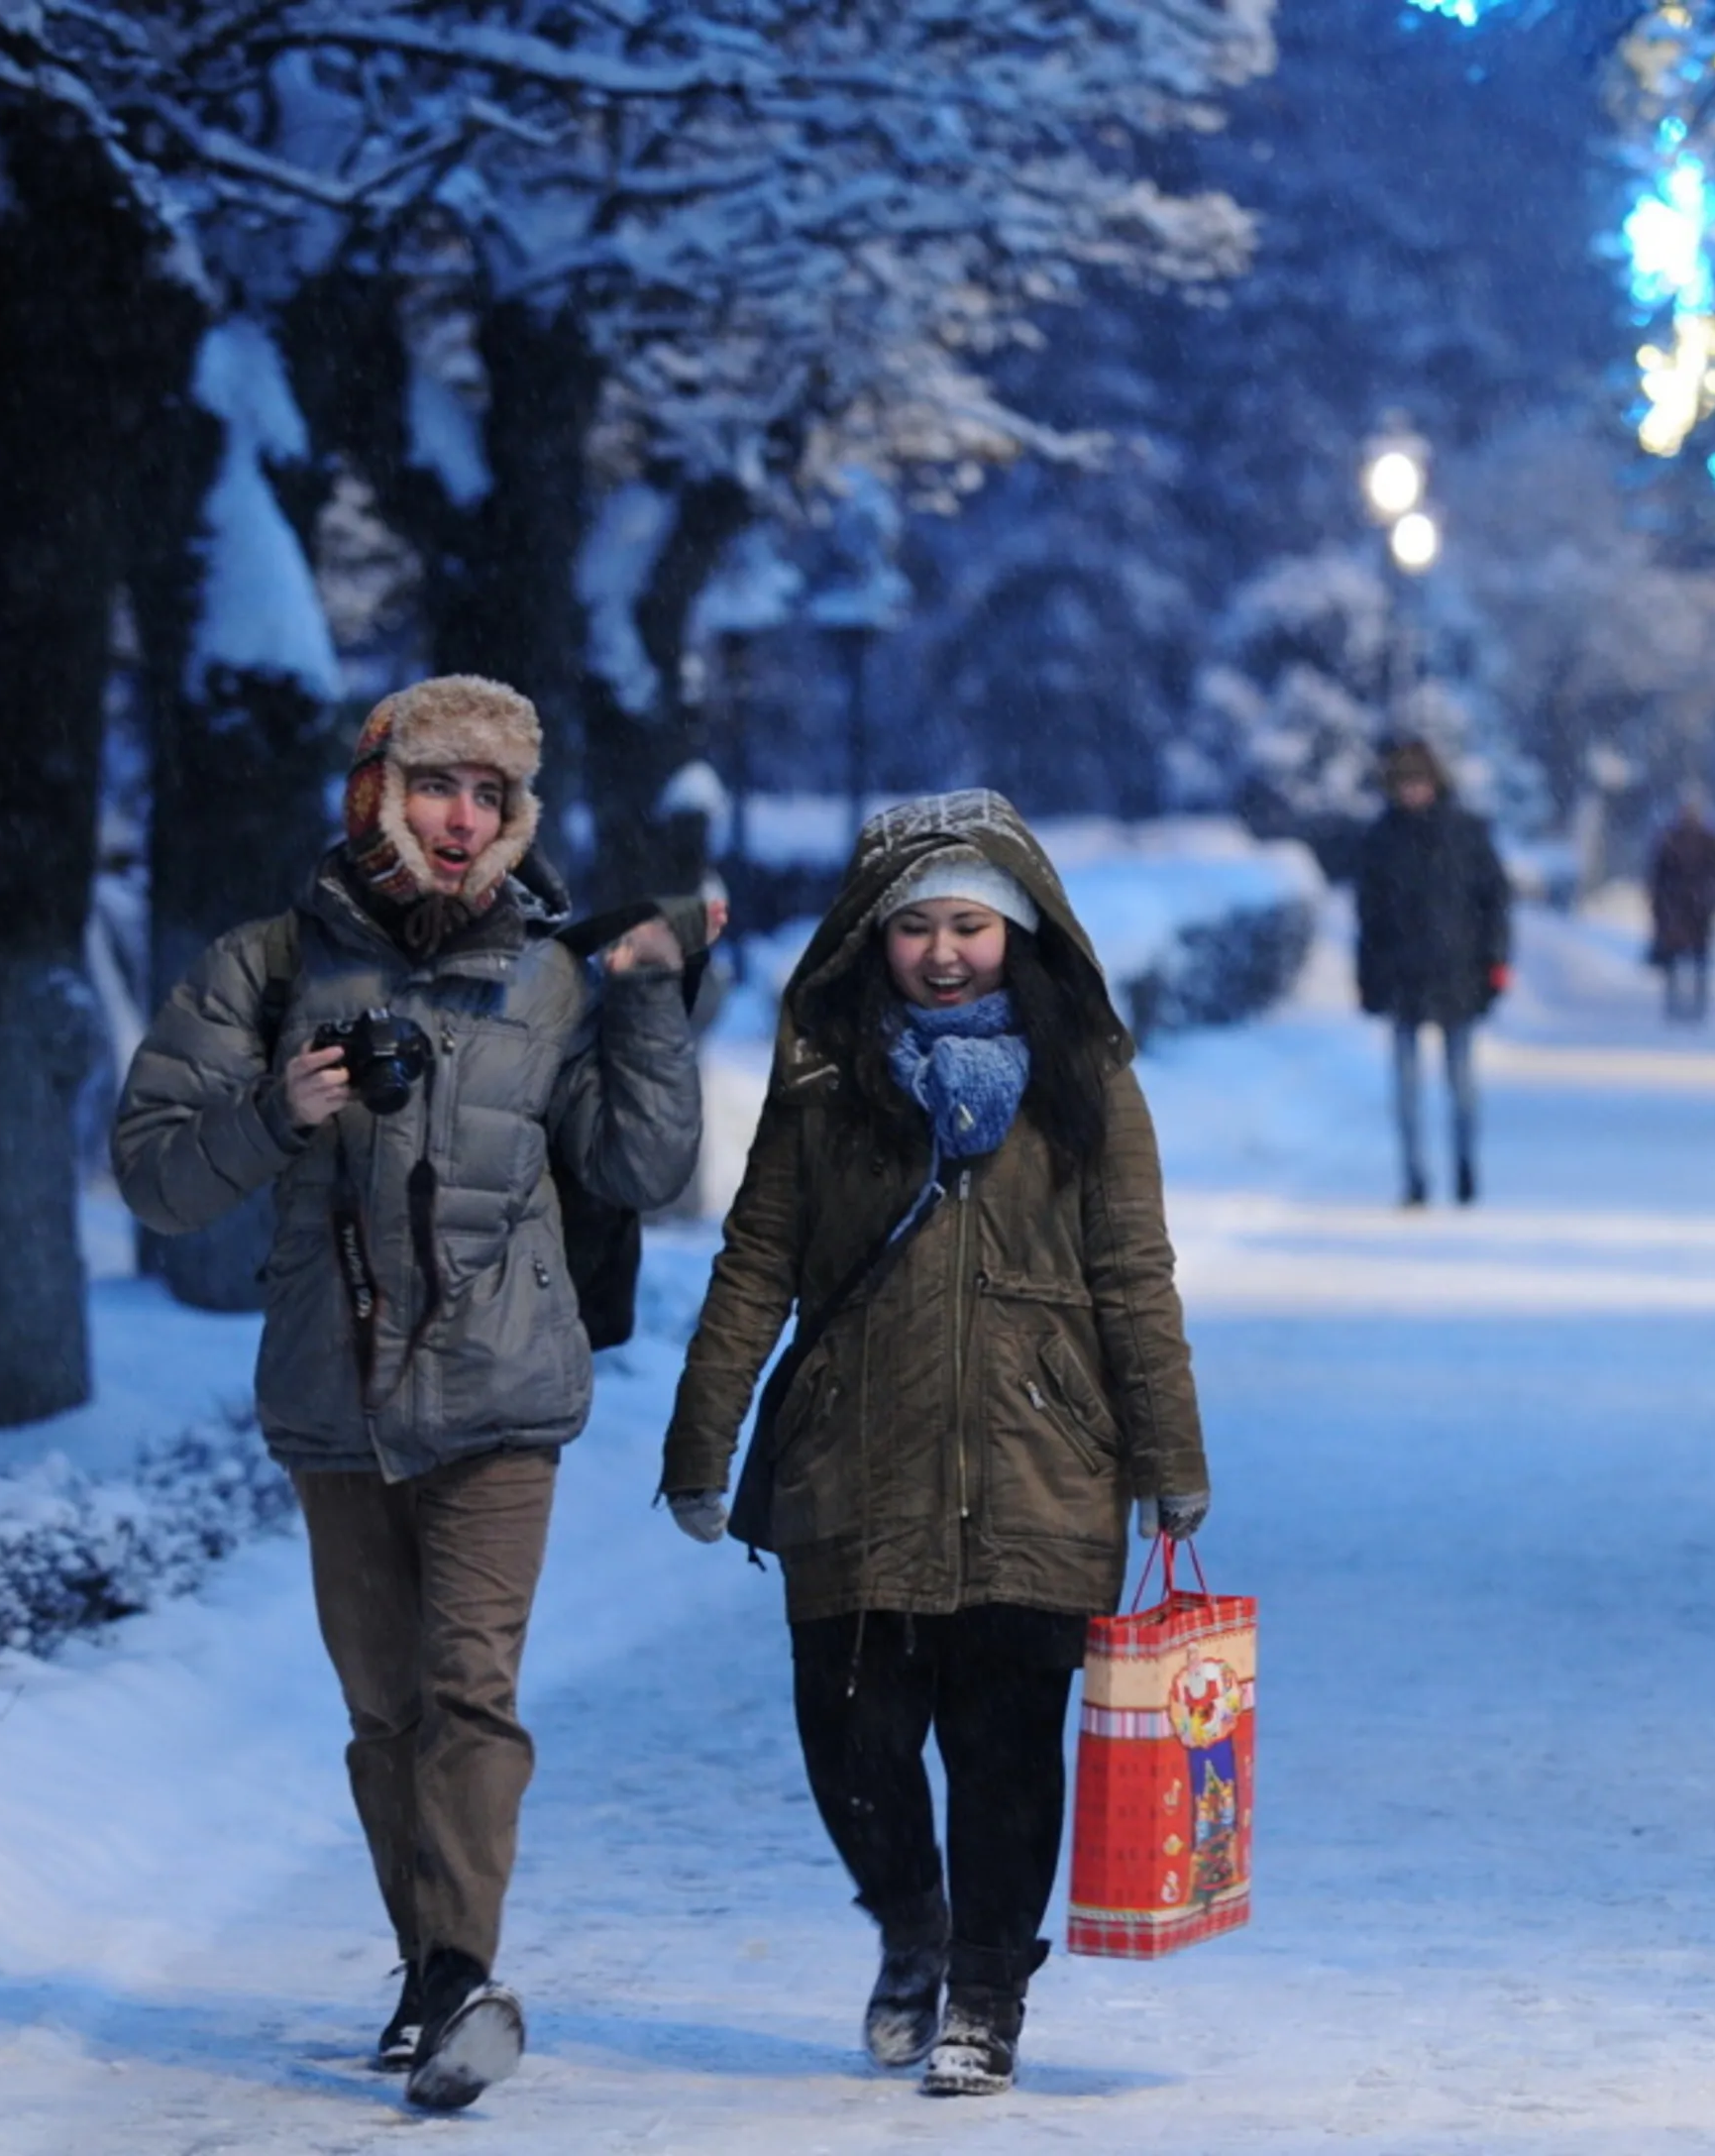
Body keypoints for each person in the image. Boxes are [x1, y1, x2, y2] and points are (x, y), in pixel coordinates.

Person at [109, 676, 704, 2114]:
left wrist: (648, 1001)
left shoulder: (551, 976)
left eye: (491, 796)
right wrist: (279, 1112)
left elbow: (640, 1170)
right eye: (439, 787)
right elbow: (151, 1169)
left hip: (502, 1391)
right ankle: (425, 1972)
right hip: (337, 1394)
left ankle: (453, 1980)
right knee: (385, 1713)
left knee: (469, 1692)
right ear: (378, 794)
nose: (462, 819)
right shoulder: (263, 966)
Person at [657, 790, 1212, 2099]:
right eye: (917, 929)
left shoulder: (1087, 1085)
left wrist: (1167, 1453)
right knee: (851, 1741)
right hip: (854, 1461)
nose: (946, 952)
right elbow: (756, 1266)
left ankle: (985, 1993)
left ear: (1019, 933)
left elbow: (1133, 1274)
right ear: (873, 938)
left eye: (971, 924)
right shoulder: (822, 1083)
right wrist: (703, 1437)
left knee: (1008, 1749)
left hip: (1041, 1463)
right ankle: (910, 1920)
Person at [1352, 737, 1512, 1206]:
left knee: (1461, 1086)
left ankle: (1464, 1166)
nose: (1412, 792)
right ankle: (1414, 1177)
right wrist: (1368, 977)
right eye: (1404, 784)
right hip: (1402, 979)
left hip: (1459, 976)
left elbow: (1494, 905)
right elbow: (1369, 918)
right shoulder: (1381, 840)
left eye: (1418, 782)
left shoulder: (1466, 834)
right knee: (1405, 1091)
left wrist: (1496, 965)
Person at [1646, 789, 1715, 1024]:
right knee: (1674, 960)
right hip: (1676, 909)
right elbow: (1657, 875)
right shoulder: (1670, 839)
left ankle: (1697, 1005)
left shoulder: (1710, 841)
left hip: (1700, 910)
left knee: (1700, 960)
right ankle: (1674, 1003)